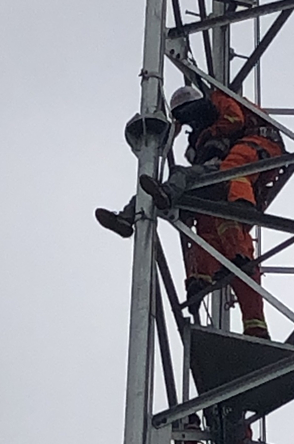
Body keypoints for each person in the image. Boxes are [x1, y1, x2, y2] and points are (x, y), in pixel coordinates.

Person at [96, 85, 284, 338]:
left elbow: (233, 121)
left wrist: (207, 137)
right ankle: (130, 220)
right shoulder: (200, 135)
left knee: (224, 172)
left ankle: (237, 208)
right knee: (205, 228)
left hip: (242, 162)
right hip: (216, 185)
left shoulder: (220, 104)